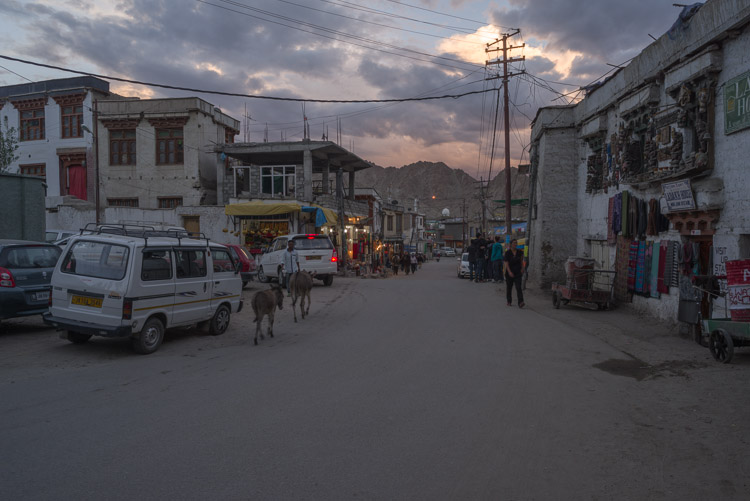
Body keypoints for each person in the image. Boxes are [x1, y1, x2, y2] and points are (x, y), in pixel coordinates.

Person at [504, 238, 525, 307]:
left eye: (516, 243)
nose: (515, 244)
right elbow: (506, 263)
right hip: (509, 272)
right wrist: (509, 272)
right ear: (511, 244)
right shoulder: (507, 253)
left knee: (518, 287)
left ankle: (520, 302)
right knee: (509, 287)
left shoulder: (520, 252)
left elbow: (521, 261)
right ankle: (509, 301)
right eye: (514, 243)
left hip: (518, 272)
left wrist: (522, 268)